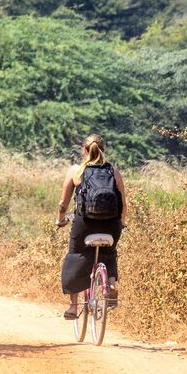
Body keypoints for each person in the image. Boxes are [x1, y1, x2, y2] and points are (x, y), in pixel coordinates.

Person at [56, 134, 126, 319]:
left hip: (85, 224)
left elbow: (63, 203)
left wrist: (61, 219)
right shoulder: (113, 171)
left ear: (84, 150)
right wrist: (122, 223)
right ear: (103, 149)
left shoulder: (76, 171)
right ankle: (110, 284)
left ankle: (72, 307)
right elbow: (123, 205)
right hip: (111, 224)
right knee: (109, 253)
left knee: (76, 256)